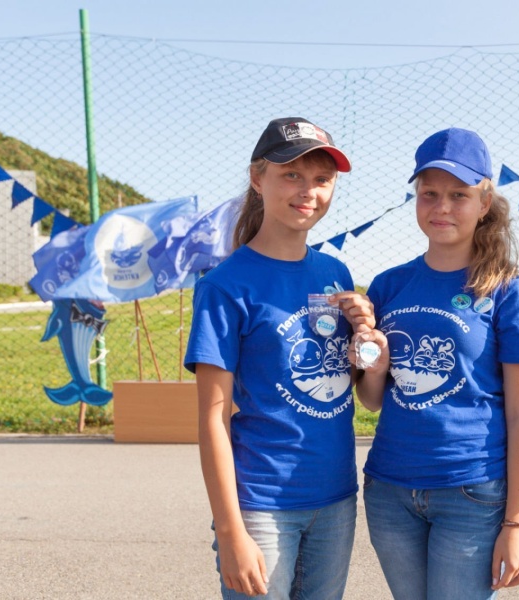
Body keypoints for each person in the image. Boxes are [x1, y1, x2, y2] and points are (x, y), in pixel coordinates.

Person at [184, 117, 376, 599]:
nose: (308, 191)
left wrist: (366, 338)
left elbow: (351, 385)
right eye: (291, 174)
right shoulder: (225, 286)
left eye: (322, 179)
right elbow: (212, 418)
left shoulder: (335, 272)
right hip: (261, 506)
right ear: (258, 177)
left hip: (336, 498)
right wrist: (231, 530)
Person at [354, 127, 519, 600]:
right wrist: (374, 366)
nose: (442, 207)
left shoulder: (509, 293)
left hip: (472, 491)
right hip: (389, 490)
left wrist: (516, 524)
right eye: (430, 194)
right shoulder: (388, 285)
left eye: (458, 195)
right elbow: (372, 400)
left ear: (484, 203)